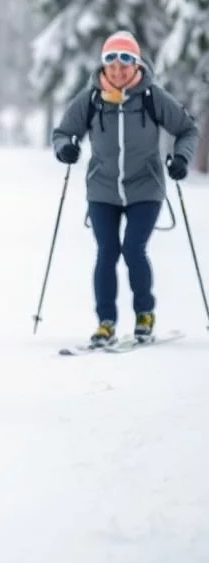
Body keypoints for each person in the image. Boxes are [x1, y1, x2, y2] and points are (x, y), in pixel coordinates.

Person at [51, 30, 198, 346]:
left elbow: (187, 130)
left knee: (133, 248)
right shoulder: (91, 98)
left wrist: (181, 160)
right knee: (107, 252)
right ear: (104, 66)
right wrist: (66, 148)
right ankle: (106, 323)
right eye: (111, 64)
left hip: (146, 188)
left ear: (136, 64)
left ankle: (144, 314)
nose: (118, 71)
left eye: (125, 63)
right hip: (102, 189)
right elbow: (63, 132)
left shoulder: (152, 97)